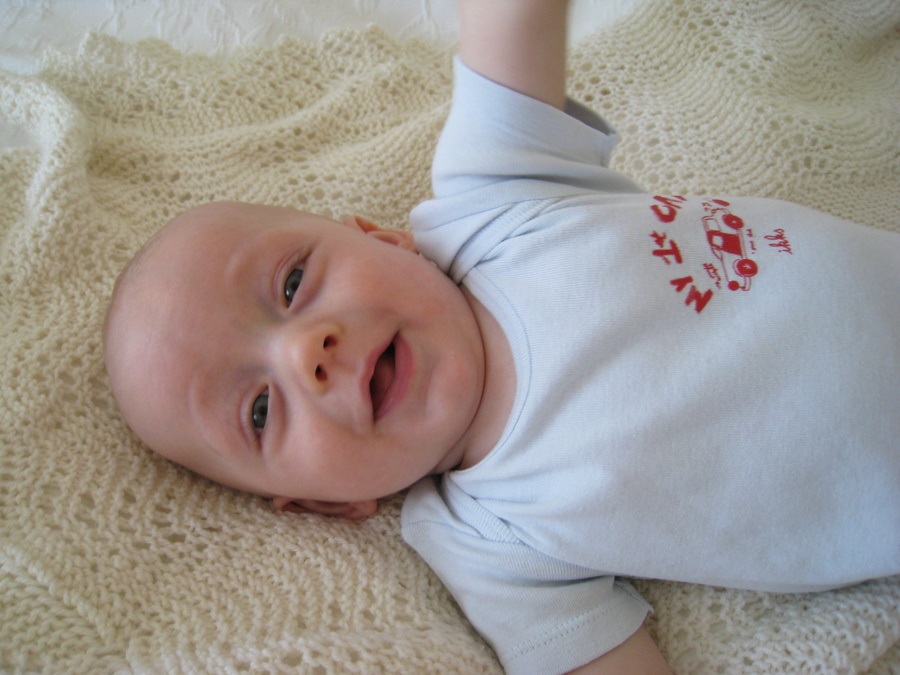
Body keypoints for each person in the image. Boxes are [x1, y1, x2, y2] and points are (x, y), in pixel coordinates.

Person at [103, 1, 900, 673]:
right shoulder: (485, 541)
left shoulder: (492, 200)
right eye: (259, 411)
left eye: (291, 284)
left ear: (383, 239)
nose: (304, 354)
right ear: (327, 501)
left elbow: (512, 20)